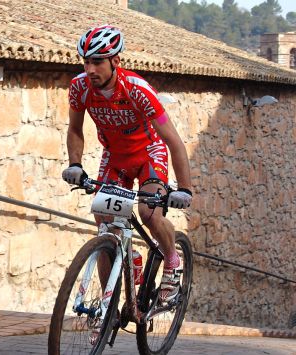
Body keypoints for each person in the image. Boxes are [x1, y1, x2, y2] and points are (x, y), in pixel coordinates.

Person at [62, 25, 192, 305]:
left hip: (148, 153)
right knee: (103, 220)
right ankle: (106, 305)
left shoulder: (137, 89)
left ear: (116, 62)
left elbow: (173, 140)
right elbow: (75, 129)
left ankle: (172, 261)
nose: (90, 69)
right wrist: (75, 164)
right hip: (116, 156)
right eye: (86, 61)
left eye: (97, 61)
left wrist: (185, 189)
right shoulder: (79, 88)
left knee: (149, 213)